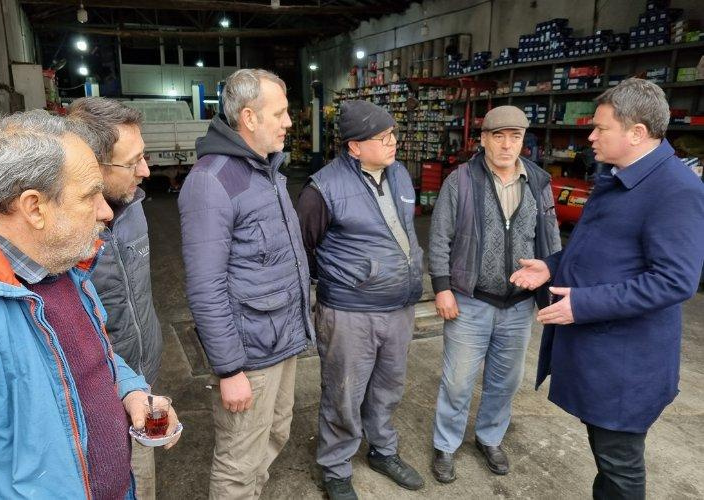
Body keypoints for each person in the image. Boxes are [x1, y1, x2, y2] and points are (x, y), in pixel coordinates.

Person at [0, 110, 180, 500]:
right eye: (90, 196)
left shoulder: (60, 262)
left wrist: (130, 391)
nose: (106, 211)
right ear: (34, 208)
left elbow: (93, 357)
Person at [511, 78, 704, 499]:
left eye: (601, 128)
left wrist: (583, 304)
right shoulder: (619, 177)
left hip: (626, 364)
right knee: (606, 456)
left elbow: (675, 280)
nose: (591, 137)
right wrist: (551, 266)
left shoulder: (675, 190)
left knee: (620, 466)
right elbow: (600, 248)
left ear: (637, 133)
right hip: (601, 353)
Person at [178, 68, 313, 499]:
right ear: (249, 118)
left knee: (276, 431)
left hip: (281, 339)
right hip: (249, 354)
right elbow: (205, 287)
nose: (288, 122)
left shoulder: (267, 170)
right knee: (239, 461)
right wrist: (229, 369)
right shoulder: (211, 180)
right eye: (280, 113)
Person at [296, 100, 425, 500]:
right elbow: (304, 248)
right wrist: (347, 280)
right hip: (350, 312)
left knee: (389, 387)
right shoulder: (322, 189)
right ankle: (336, 468)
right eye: (383, 138)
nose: (393, 143)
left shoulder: (399, 174)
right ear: (354, 146)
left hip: (399, 306)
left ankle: (382, 450)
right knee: (344, 393)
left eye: (393, 134)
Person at [428, 105, 561, 482]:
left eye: (514, 137)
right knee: (458, 381)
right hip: (471, 300)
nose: (506, 145)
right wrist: (442, 288)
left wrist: (551, 284)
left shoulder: (538, 181)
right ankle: (446, 444)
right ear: (483, 139)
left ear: (524, 141)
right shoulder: (461, 180)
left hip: (518, 305)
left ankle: (489, 437)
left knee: (506, 381)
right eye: (498, 136)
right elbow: (439, 237)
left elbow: (551, 238)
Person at [68, 97, 164, 500]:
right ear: (92, 165)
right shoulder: (64, 234)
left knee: (143, 483)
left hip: (143, 379)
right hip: (96, 401)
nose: (146, 171)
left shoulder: (133, 204)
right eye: (133, 162)